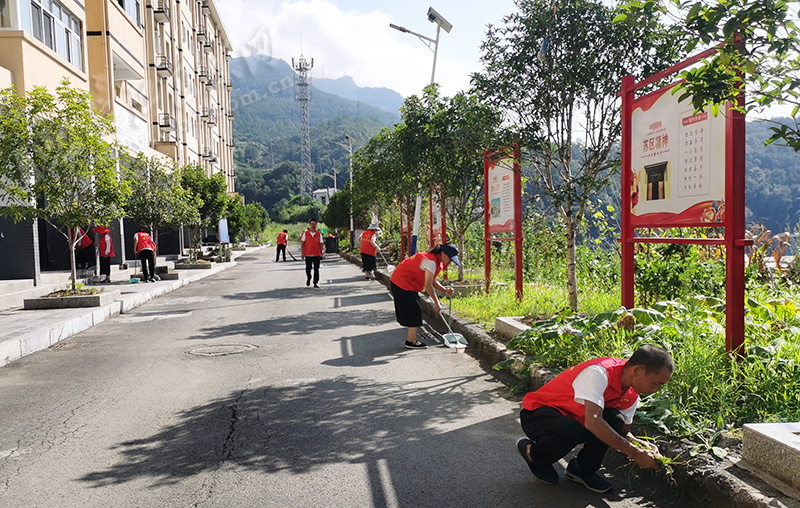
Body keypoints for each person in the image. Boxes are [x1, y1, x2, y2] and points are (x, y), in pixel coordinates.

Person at [516, 344, 674, 494]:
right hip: (538, 414)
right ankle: (532, 453)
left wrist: (641, 445)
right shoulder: (599, 373)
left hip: (575, 421)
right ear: (638, 370)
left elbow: (623, 431)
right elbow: (593, 421)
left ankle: (582, 469)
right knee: (572, 429)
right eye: (655, 383)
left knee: (615, 421)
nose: (656, 390)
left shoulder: (632, 392)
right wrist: (635, 453)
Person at [389, 243, 460, 349]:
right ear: (443, 253)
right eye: (450, 258)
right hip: (402, 282)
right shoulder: (431, 261)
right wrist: (437, 303)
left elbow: (432, 280)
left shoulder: (435, 261)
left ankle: (411, 340)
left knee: (414, 310)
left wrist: (444, 290)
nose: (450, 262)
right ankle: (411, 341)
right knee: (414, 311)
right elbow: (428, 285)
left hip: (407, 282)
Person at [299, 219, 324, 288]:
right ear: (310, 225)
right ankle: (309, 277)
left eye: (314, 224)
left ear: (316, 225)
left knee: (316, 269)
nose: (313, 225)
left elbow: (321, 244)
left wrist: (322, 253)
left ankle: (315, 282)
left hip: (316, 254)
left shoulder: (319, 234)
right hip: (308, 254)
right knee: (308, 268)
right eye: (312, 224)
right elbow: (302, 243)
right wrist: (302, 253)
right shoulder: (306, 234)